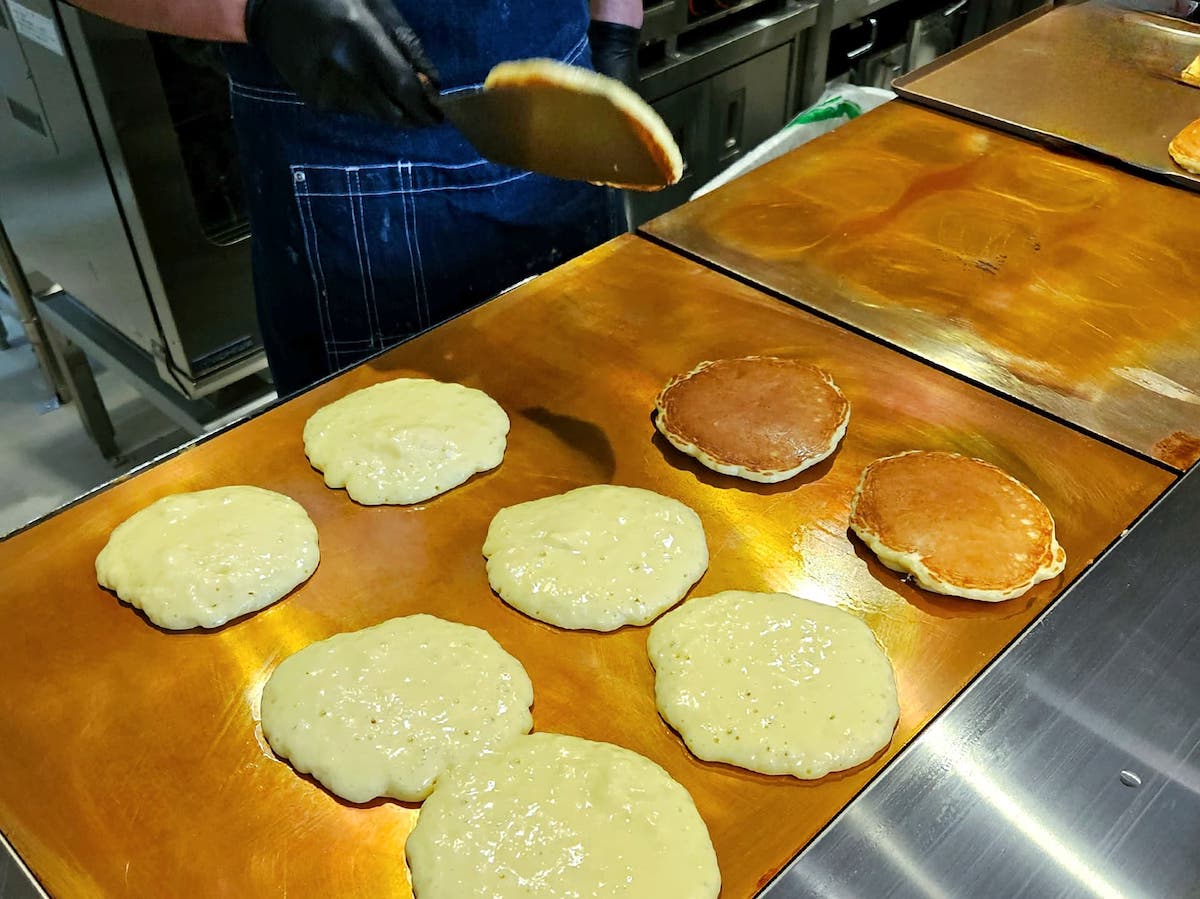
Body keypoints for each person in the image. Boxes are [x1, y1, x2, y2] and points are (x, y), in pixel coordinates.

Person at [73, 0, 644, 396]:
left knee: (586, 416)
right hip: (349, 175)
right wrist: (260, 7)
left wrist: (616, 25)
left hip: (565, 132)